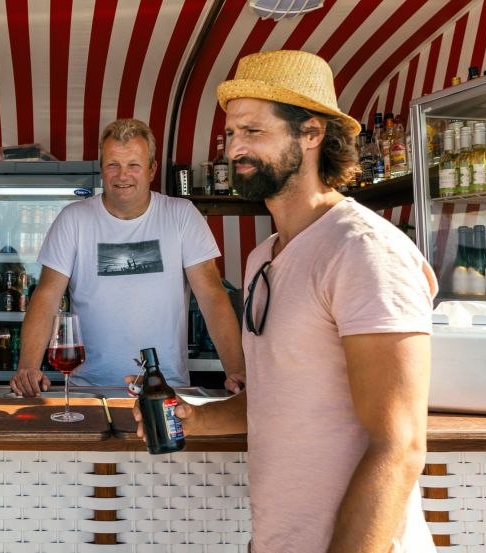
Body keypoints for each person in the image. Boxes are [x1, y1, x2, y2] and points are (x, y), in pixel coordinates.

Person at [132, 50, 437, 552]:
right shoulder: (264, 257)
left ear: (311, 133)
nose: (235, 148)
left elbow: (399, 446)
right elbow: (277, 398)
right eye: (231, 134)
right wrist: (196, 418)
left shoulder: (364, 250)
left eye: (254, 131)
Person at [10, 118, 245, 397]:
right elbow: (46, 296)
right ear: (101, 169)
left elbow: (212, 296)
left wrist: (237, 371)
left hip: (165, 389)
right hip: (90, 391)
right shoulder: (74, 219)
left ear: (151, 169)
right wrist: (27, 367)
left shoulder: (182, 215)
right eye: (113, 164)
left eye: (134, 165)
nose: (123, 175)